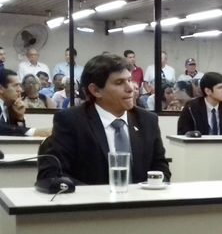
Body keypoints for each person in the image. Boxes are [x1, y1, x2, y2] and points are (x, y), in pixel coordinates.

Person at [37, 54, 170, 185]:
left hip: (140, 199)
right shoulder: (71, 121)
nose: (130, 88)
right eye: (119, 82)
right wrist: (100, 195)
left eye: (129, 80)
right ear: (95, 90)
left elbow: (161, 169)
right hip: (90, 199)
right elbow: (51, 174)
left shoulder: (147, 120)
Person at [0, 69, 50, 136]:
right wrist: (31, 132)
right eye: (16, 85)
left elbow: (14, 135)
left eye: (19, 85)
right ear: (1, 89)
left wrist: (20, 117)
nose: (20, 90)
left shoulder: (9, 106)